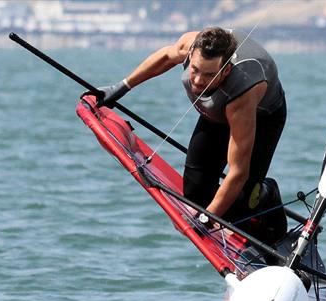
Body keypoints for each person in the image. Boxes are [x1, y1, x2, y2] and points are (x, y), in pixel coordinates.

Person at [97, 27, 287, 243]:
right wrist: (121, 88)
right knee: (195, 195)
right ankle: (234, 213)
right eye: (194, 70)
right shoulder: (191, 44)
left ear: (225, 71)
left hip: (262, 119)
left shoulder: (242, 93)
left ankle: (267, 196)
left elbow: (238, 171)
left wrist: (207, 219)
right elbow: (165, 57)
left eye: (208, 75)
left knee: (242, 201)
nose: (196, 80)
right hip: (216, 113)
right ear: (190, 55)